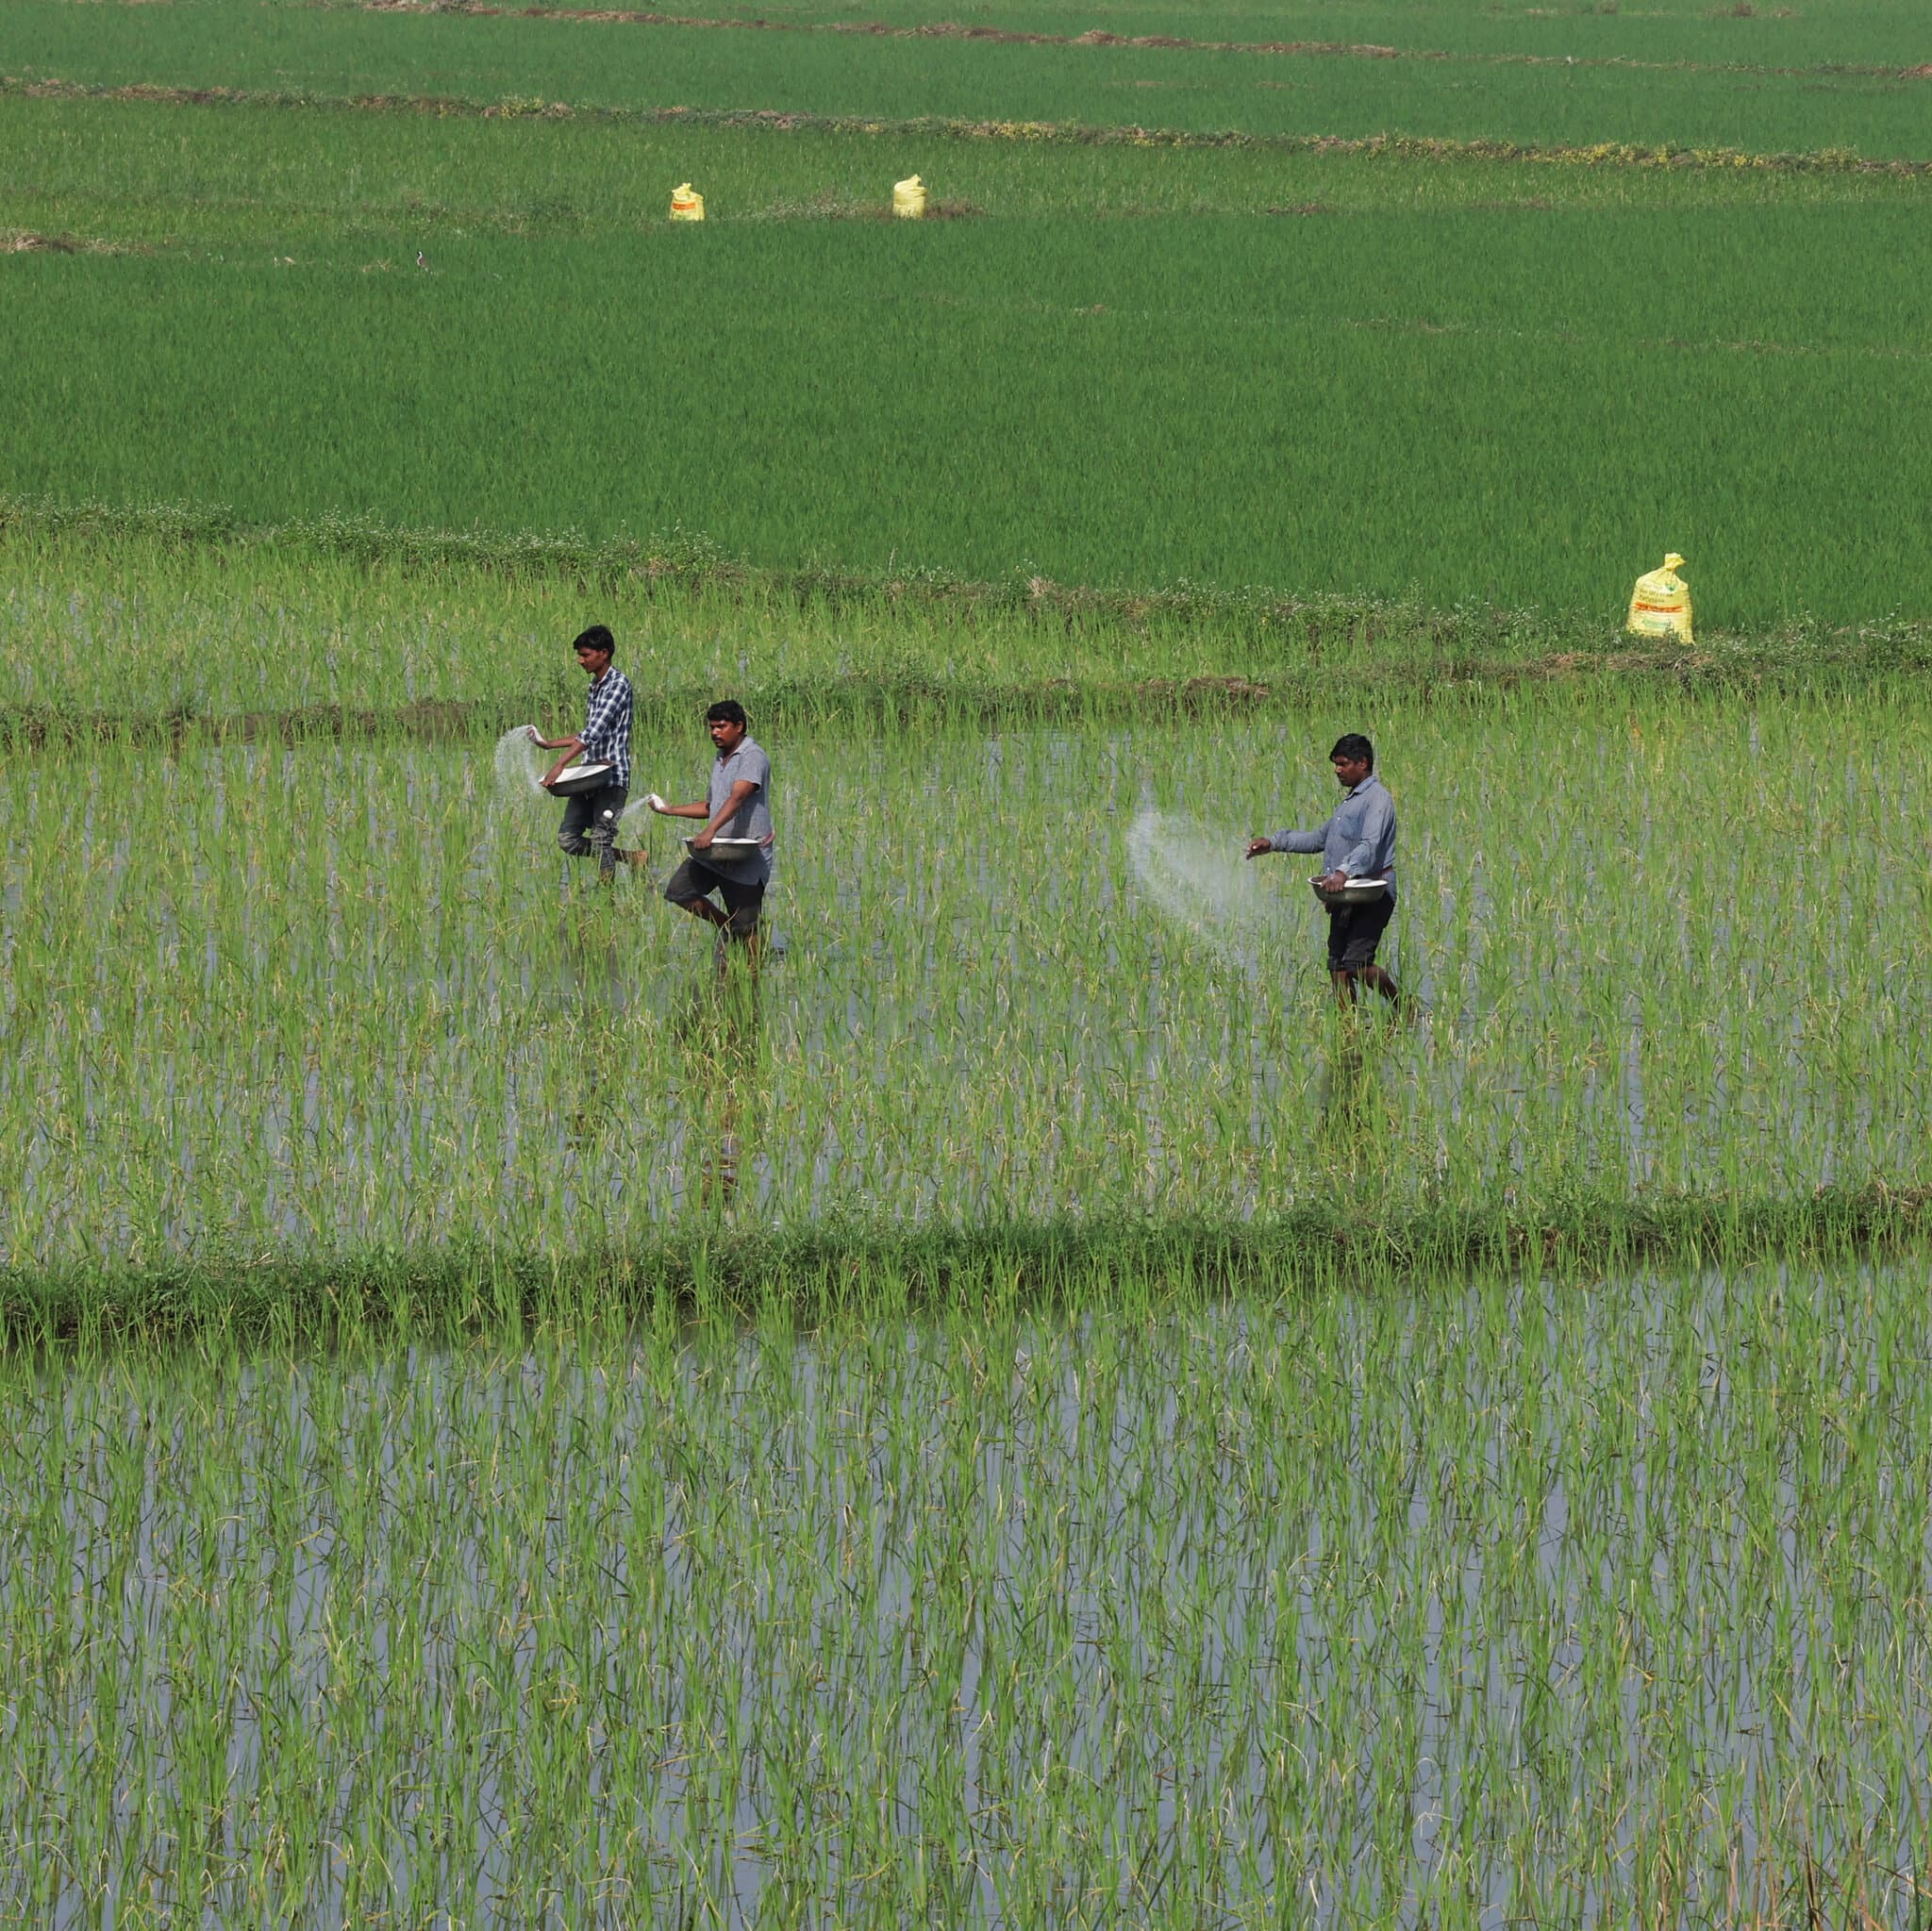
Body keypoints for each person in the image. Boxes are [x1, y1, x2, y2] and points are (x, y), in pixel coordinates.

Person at [1246, 733, 1400, 1009]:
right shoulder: (1349, 803)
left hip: (1373, 892)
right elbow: (1319, 840)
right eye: (1336, 764)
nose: (1337, 770)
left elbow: (1370, 846)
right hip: (1345, 894)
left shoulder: (1378, 800)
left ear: (1362, 763)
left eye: (1343, 764)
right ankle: (1349, 1029)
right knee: (1338, 967)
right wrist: (1273, 843)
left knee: (1358, 964)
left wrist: (1341, 873)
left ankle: (1404, 1007)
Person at [645, 700, 774, 956]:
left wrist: (710, 831)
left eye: (721, 726)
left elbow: (737, 798)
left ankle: (754, 979)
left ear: (739, 726)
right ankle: (726, 927)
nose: (715, 732)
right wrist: (669, 810)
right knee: (679, 891)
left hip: (747, 855)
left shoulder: (752, 756)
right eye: (712, 727)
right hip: (715, 853)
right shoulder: (721, 757)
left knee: (747, 927)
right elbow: (710, 806)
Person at [529, 624, 635, 883]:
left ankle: (605, 896)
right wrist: (550, 744)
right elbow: (588, 731)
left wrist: (560, 764)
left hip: (612, 777)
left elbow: (592, 733)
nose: (580, 660)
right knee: (568, 839)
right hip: (590, 775)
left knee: (601, 838)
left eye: (585, 655)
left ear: (604, 653)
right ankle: (632, 858)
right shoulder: (595, 686)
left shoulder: (618, 685)